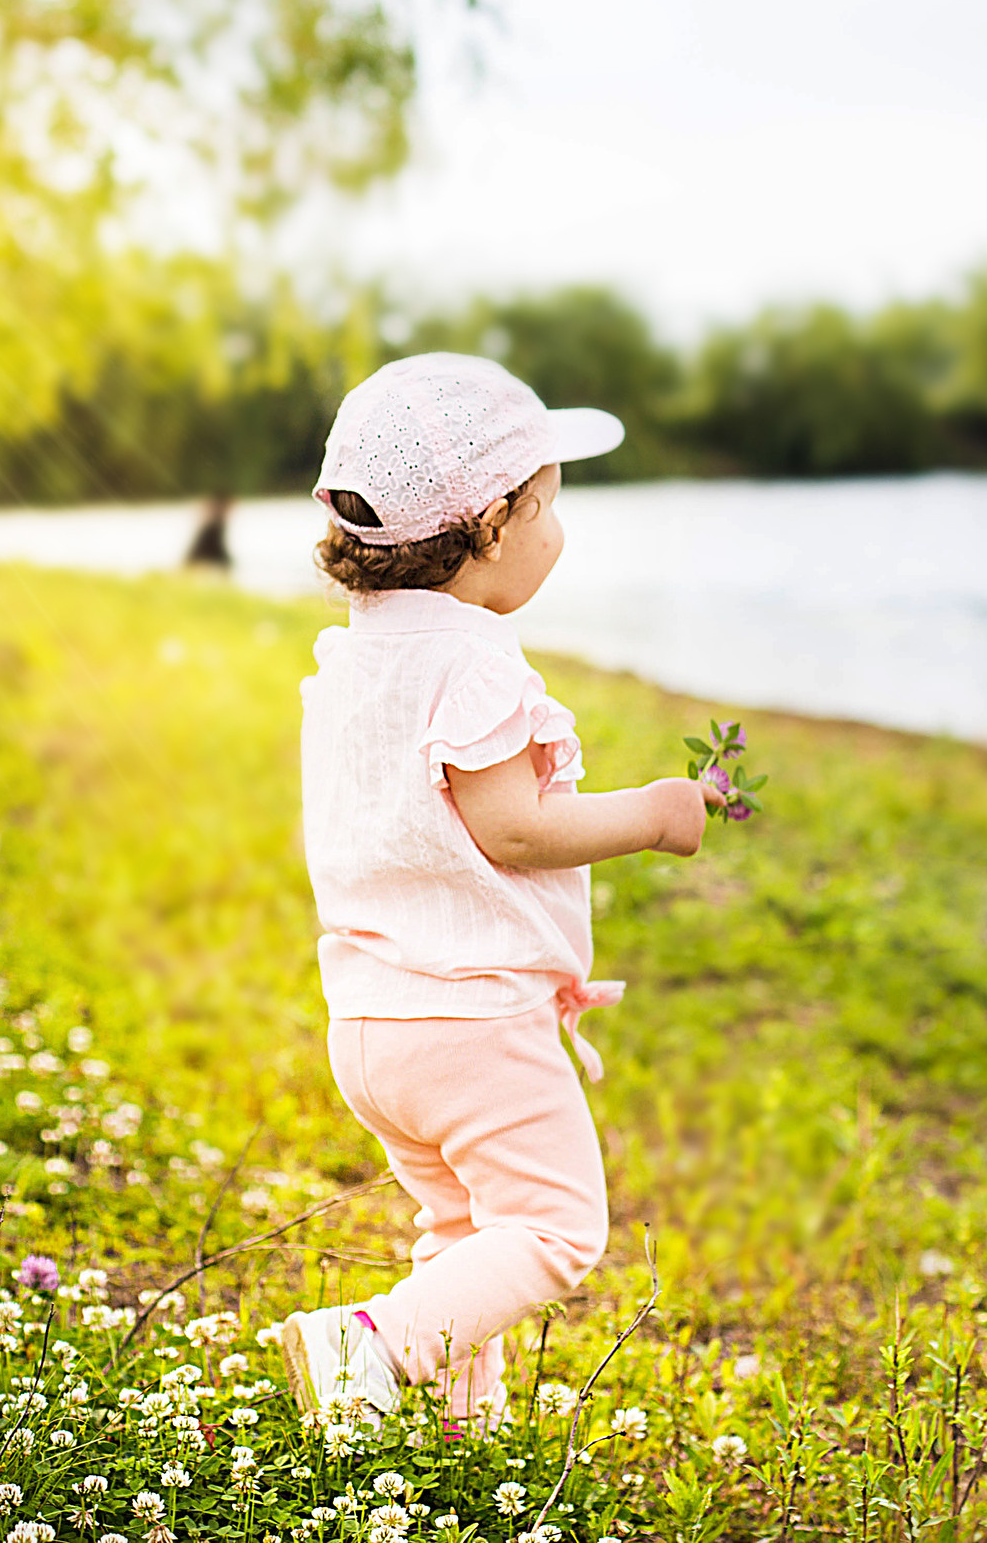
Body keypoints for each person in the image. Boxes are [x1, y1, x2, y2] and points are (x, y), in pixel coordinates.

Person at [281, 352, 723, 1427]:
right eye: (549, 508)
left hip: (372, 1020)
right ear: (489, 523)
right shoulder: (474, 660)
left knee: (466, 1237)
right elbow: (514, 828)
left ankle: (455, 1433)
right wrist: (660, 813)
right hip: (470, 1019)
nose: (557, 534)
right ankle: (367, 1345)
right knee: (554, 1228)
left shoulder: (356, 662)